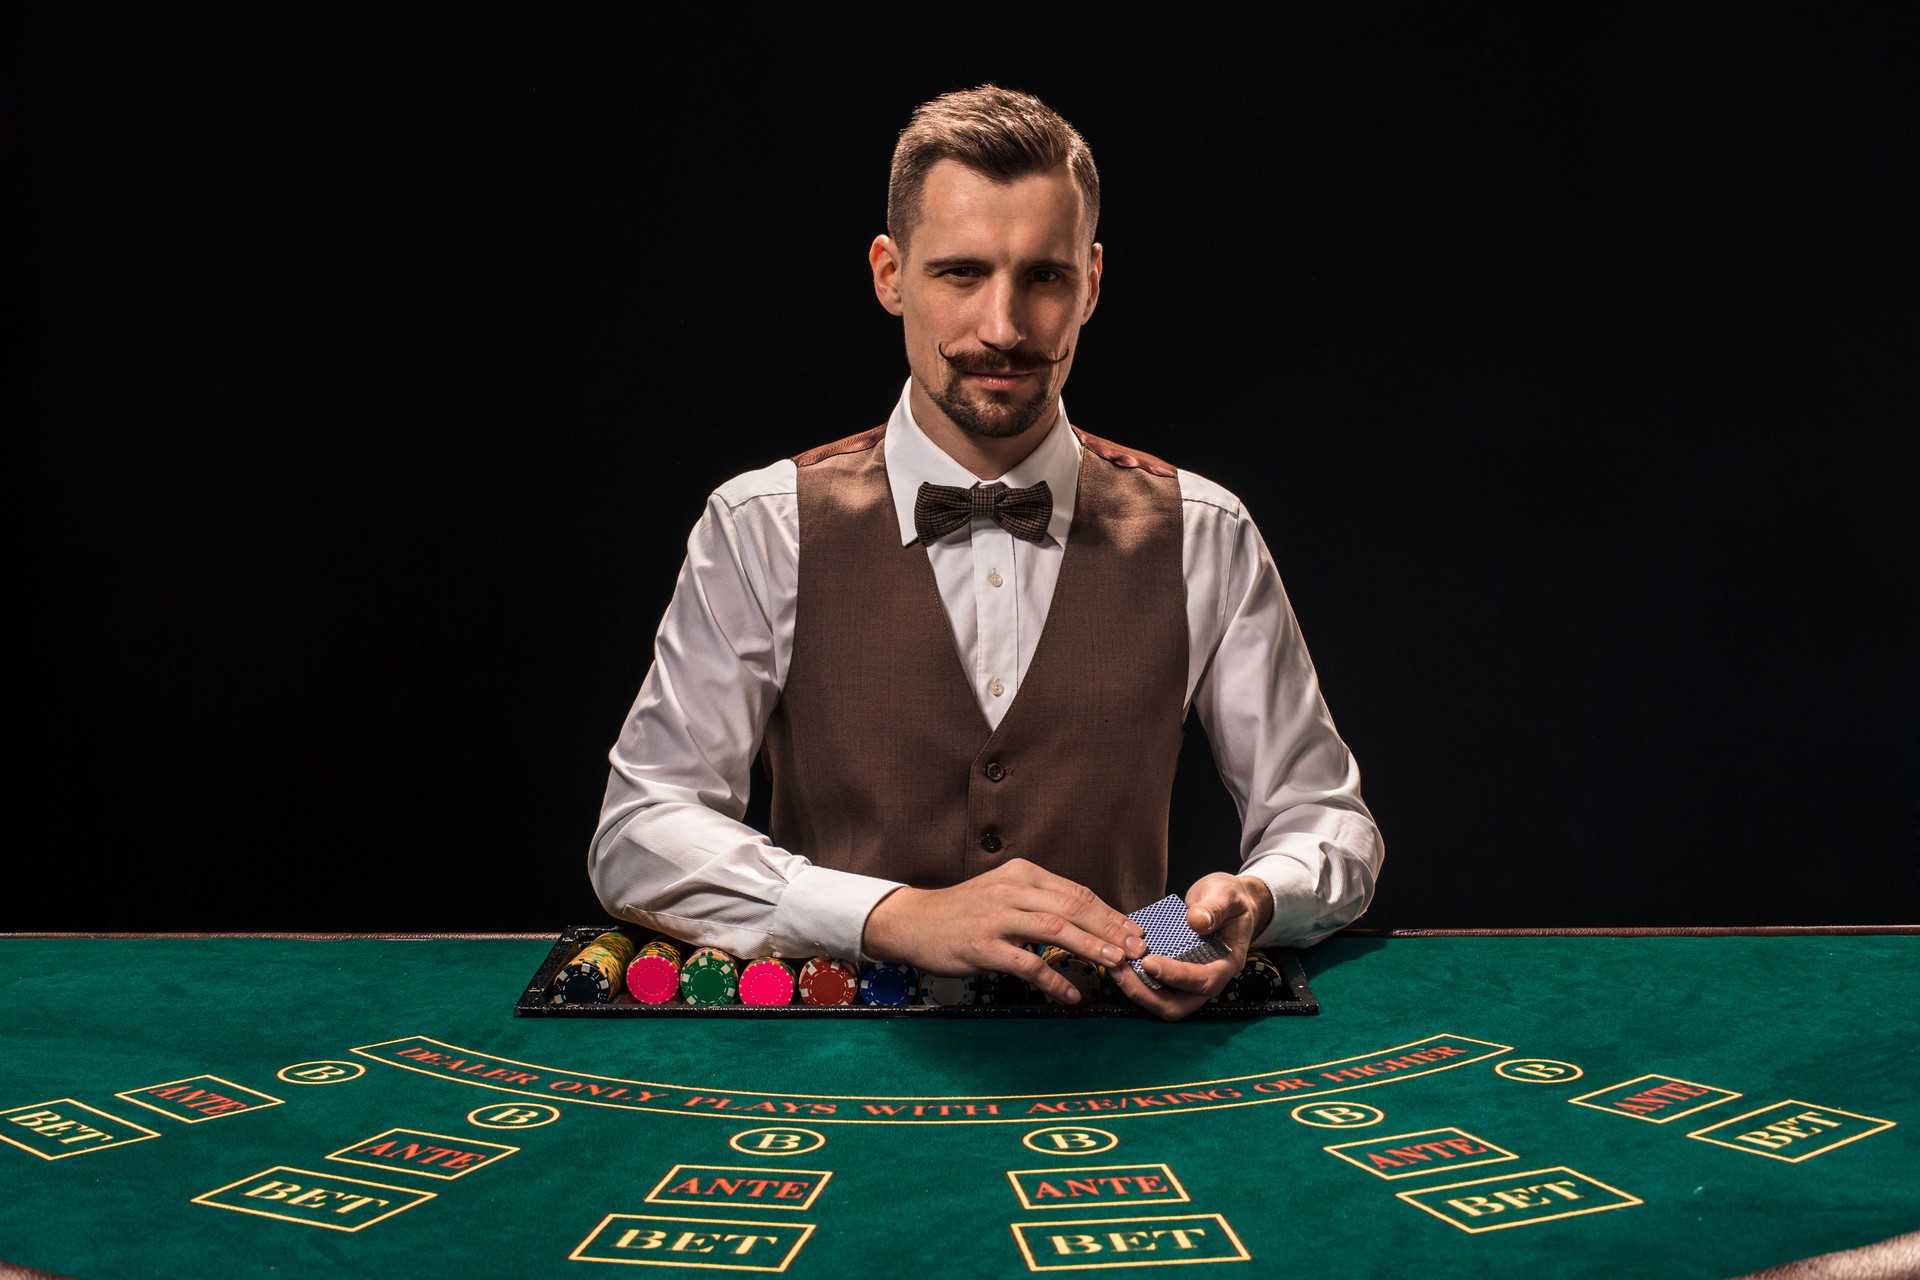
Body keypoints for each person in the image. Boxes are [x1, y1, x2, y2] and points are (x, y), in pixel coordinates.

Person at [589, 84, 1381, 1021]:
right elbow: (639, 835)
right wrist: (890, 913)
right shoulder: (760, 524)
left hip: (1123, 1063)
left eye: (1042, 278)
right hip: (835, 1065)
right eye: (960, 273)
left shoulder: (1205, 530)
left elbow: (1327, 823)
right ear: (889, 274)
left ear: (1090, 282)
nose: (1002, 327)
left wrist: (1256, 899)